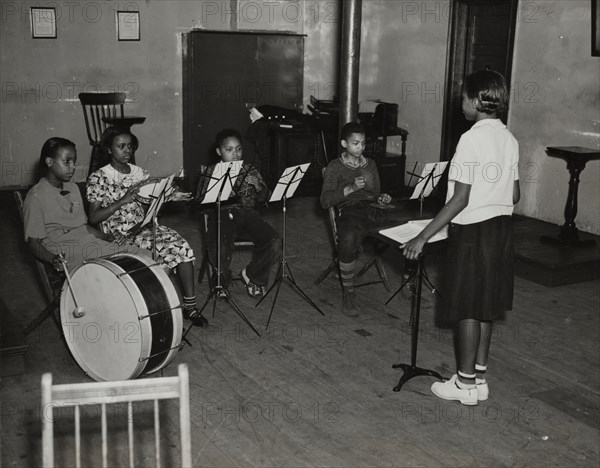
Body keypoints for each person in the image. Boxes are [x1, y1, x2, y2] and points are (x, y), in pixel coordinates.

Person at [402, 69, 520, 405]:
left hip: (472, 233)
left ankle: (464, 385)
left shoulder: (470, 138)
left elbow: (460, 199)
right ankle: (478, 378)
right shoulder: (509, 139)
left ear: (477, 100)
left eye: (464, 97)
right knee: (486, 307)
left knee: (468, 306)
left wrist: (422, 237)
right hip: (501, 231)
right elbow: (514, 194)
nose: (461, 103)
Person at [86, 127, 208, 327]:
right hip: (120, 234)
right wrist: (122, 200)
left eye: (130, 146)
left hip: (144, 227)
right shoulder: (99, 177)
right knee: (160, 260)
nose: (127, 151)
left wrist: (169, 196)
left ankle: (190, 307)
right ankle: (153, 312)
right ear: (108, 149)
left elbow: (149, 201)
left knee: (182, 247)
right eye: (121, 146)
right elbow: (93, 217)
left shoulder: (140, 173)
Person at [23, 137, 147, 273]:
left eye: (74, 162)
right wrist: (52, 259)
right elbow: (33, 243)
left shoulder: (73, 188)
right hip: (69, 253)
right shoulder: (36, 196)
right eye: (66, 162)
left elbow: (84, 227)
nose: (73, 167)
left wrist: (107, 237)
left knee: (145, 256)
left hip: (90, 244)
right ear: (49, 162)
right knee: (134, 264)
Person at [195, 128, 280, 297]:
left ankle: (253, 276)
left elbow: (266, 198)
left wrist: (258, 185)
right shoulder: (211, 173)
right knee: (219, 243)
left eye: (239, 149)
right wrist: (214, 195)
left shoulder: (250, 169)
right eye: (229, 149)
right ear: (219, 152)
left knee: (274, 240)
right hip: (221, 216)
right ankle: (221, 283)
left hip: (247, 216)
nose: (235, 154)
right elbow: (199, 204)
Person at [320, 122, 392, 316]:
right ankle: (349, 292)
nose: (360, 148)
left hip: (373, 209)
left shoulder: (371, 164)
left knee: (405, 226)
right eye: (355, 143)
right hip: (350, 210)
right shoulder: (335, 167)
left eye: (363, 143)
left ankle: (409, 285)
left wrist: (382, 198)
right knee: (349, 236)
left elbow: (376, 192)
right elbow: (325, 201)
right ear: (344, 143)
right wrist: (351, 188)